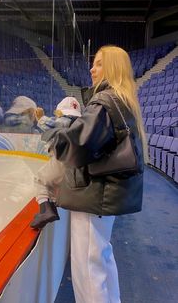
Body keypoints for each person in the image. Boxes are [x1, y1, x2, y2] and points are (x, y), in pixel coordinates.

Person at [41, 45, 149, 303]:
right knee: (100, 258)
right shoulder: (122, 100)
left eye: (99, 63)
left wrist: (50, 134)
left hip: (94, 194)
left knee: (87, 268)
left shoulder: (104, 101)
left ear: (113, 67)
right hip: (102, 196)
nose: (92, 68)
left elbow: (78, 146)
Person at [30, 96, 82, 229]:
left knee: (40, 179)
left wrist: (40, 117)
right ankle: (51, 207)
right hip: (75, 163)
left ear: (61, 112)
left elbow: (52, 124)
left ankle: (45, 210)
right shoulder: (80, 123)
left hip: (62, 160)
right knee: (51, 184)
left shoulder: (65, 120)